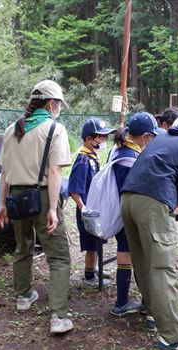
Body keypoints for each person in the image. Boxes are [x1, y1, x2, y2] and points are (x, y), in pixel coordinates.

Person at [120, 114, 178, 350]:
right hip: (153, 203)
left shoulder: (166, 137)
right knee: (162, 267)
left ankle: (152, 312)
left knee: (141, 260)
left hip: (128, 198)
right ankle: (171, 337)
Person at [0, 80, 73, 334]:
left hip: (16, 198)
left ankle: (23, 297)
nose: (59, 108)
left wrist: (2, 205)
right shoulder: (54, 129)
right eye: (58, 104)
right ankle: (59, 317)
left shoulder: (12, 129)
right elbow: (54, 170)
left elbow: (4, 172)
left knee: (22, 246)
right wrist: (52, 208)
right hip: (41, 196)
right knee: (59, 256)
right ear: (52, 103)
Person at [108, 112, 160, 319]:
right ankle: (122, 302)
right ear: (146, 136)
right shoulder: (130, 158)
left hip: (118, 208)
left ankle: (122, 301)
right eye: (152, 137)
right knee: (128, 255)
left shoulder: (119, 148)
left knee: (124, 253)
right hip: (126, 212)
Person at [68, 118, 116, 288]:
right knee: (91, 244)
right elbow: (74, 190)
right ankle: (88, 276)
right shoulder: (82, 160)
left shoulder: (92, 156)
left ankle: (94, 268)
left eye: (104, 137)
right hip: (88, 211)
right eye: (100, 137)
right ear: (89, 139)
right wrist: (84, 210)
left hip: (94, 208)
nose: (103, 141)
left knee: (97, 242)